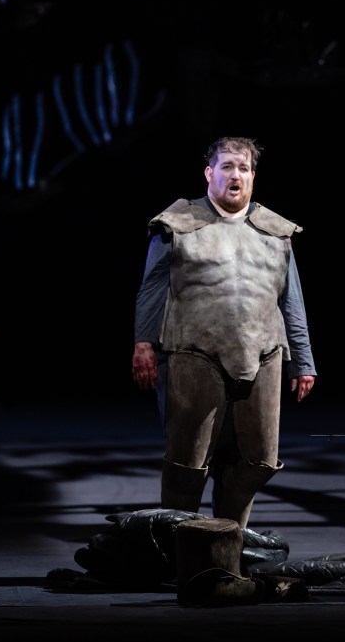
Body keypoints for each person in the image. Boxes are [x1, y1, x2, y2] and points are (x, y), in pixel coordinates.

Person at [131, 136, 317, 529]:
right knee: (187, 462)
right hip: (192, 352)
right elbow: (152, 288)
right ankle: (179, 546)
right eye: (227, 166)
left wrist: (303, 361)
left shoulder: (275, 231)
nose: (236, 175)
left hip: (263, 355)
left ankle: (229, 542)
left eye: (243, 168)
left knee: (257, 460)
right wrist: (143, 344)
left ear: (253, 176)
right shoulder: (178, 223)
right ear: (209, 173)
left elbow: (291, 299)